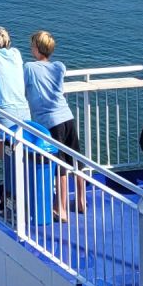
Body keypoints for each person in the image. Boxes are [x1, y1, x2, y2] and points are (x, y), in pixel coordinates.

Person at [23, 30, 87, 220]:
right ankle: (82, 202)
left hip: (49, 121)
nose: (30, 48)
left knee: (59, 165)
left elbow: (22, 86)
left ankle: (61, 208)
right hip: (67, 117)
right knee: (76, 159)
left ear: (37, 48)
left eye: (32, 45)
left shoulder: (29, 67)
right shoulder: (59, 66)